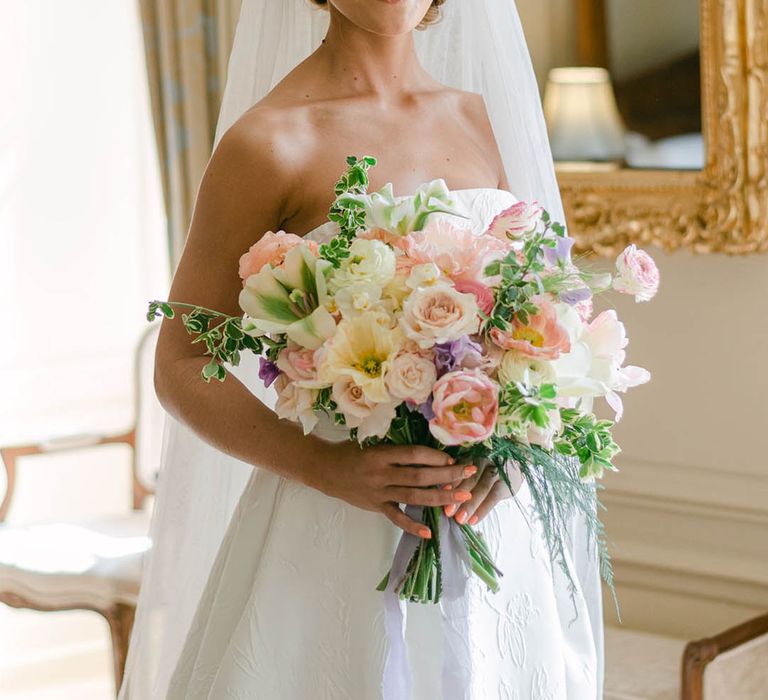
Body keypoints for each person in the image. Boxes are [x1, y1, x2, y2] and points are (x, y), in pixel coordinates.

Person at [119, 2, 603, 698]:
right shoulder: (270, 140)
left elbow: (546, 321)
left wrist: (518, 448)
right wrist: (325, 465)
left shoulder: (482, 118)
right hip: (334, 532)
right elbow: (182, 364)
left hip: (491, 533)